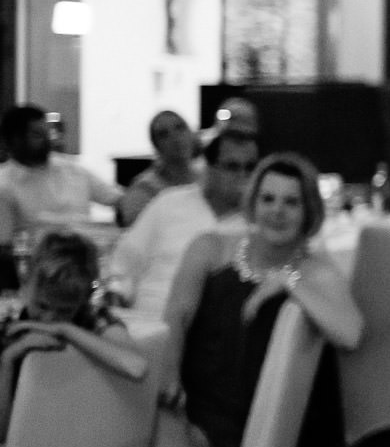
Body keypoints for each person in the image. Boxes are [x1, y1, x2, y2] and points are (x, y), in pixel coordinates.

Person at [143, 151, 362, 447]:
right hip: (185, 399)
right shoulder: (210, 248)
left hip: (232, 424)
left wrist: (289, 282)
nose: (277, 211)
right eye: (267, 199)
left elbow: (350, 333)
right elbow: (175, 316)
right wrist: (171, 374)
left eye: (291, 202)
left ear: (309, 212)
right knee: (157, 425)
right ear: (252, 203)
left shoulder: (316, 272)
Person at [0, 229, 148, 447]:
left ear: (84, 300)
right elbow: (3, 436)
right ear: (26, 284)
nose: (48, 318)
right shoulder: (9, 326)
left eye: (63, 310)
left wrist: (65, 329)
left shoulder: (93, 320)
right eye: (42, 306)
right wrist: (8, 361)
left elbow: (135, 366)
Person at [106, 128, 260, 321]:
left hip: (215, 333)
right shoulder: (169, 203)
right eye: (232, 166)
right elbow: (123, 268)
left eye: (250, 167)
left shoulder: (260, 223)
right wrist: (114, 309)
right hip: (145, 321)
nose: (243, 175)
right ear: (210, 168)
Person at [0, 103, 123, 260]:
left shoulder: (71, 170)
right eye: (38, 135)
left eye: (47, 133)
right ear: (16, 139)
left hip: (89, 257)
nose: (47, 140)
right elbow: (5, 249)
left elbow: (118, 199)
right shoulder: (4, 184)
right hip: (43, 267)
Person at [117, 109, 202, 227]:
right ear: (156, 146)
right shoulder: (143, 191)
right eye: (164, 134)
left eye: (180, 128)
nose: (176, 138)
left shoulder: (208, 179)